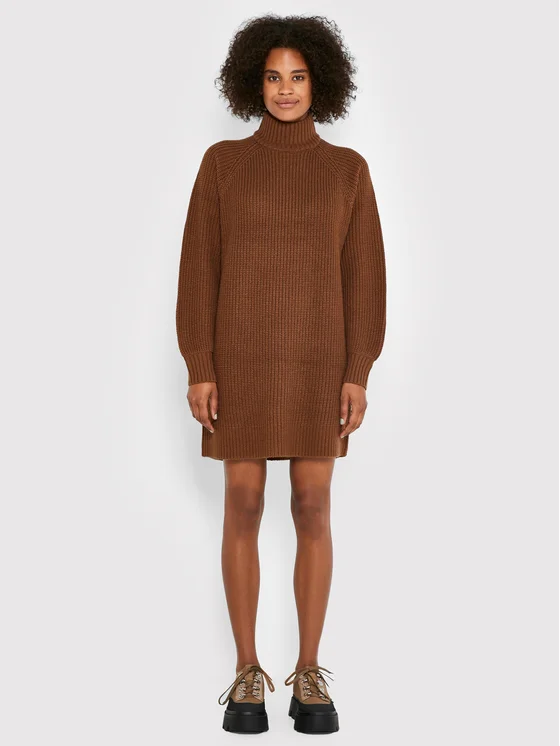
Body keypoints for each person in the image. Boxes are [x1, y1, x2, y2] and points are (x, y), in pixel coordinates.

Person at [175, 14, 386, 735]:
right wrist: (200, 365)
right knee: (241, 503)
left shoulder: (348, 170)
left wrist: (357, 370)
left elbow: (365, 279)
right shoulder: (223, 164)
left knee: (312, 507)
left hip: (320, 361)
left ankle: (310, 671)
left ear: (319, 82)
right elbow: (198, 269)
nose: (285, 89)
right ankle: (246, 671)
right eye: (272, 76)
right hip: (239, 360)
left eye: (297, 76)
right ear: (252, 83)